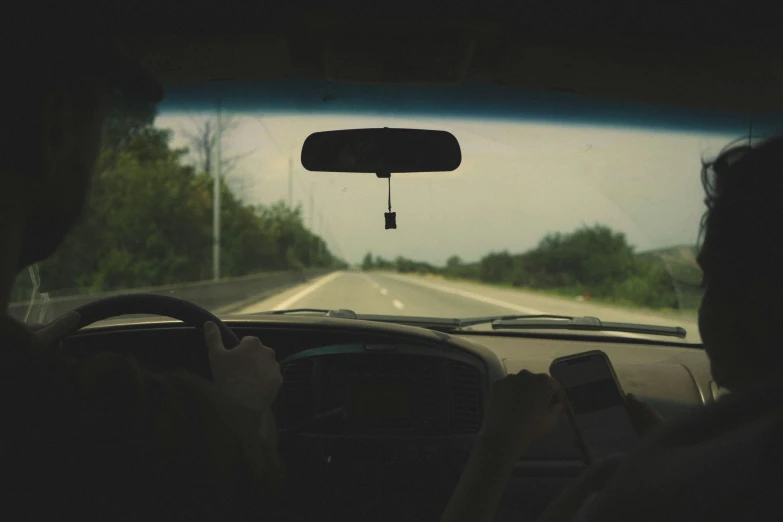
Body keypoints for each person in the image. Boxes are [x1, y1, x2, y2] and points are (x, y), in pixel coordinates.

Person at [0, 29, 284, 520]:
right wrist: (244, 397)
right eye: (103, 121)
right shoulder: (85, 414)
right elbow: (247, 480)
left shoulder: (26, 379)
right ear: (56, 126)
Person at [441, 136, 783, 522]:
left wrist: (498, 442)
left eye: (713, 280)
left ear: (761, 296)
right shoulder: (732, 464)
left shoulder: (696, 483)